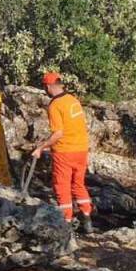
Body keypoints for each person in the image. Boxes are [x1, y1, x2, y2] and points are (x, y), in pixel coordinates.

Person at [31, 71, 93, 234]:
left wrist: (40, 148)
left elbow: (58, 133)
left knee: (62, 185)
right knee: (78, 184)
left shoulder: (55, 105)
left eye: (44, 87)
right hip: (82, 149)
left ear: (49, 86)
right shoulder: (73, 100)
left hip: (65, 151)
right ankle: (87, 219)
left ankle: (66, 223)